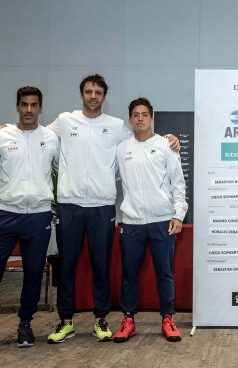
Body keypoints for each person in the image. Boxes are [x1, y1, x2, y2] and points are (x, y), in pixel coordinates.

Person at [47, 74, 180, 344]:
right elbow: (38, 136)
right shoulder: (65, 121)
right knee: (68, 267)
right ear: (82, 93)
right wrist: (10, 129)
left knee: (102, 266)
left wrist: (171, 138)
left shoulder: (120, 129)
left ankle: (104, 319)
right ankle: (67, 321)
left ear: (104, 97)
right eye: (88, 91)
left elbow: (158, 158)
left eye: (98, 92)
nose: (93, 96)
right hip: (72, 206)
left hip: (106, 208)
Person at [112, 98, 187, 343]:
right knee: (129, 275)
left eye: (145, 114)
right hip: (132, 222)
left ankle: (168, 319)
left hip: (162, 221)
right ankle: (128, 319)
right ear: (130, 119)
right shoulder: (121, 149)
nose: (140, 118)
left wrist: (178, 214)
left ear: (152, 118)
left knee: (164, 273)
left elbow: (178, 183)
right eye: (136, 114)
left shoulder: (166, 145)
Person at [0, 86, 59, 347]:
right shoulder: (3, 136)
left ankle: (25, 324)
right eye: (24, 105)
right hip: (6, 213)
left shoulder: (51, 138)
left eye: (34, 105)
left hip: (38, 216)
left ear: (40, 108)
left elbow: (63, 169)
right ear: (17, 107)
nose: (29, 110)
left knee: (33, 273)